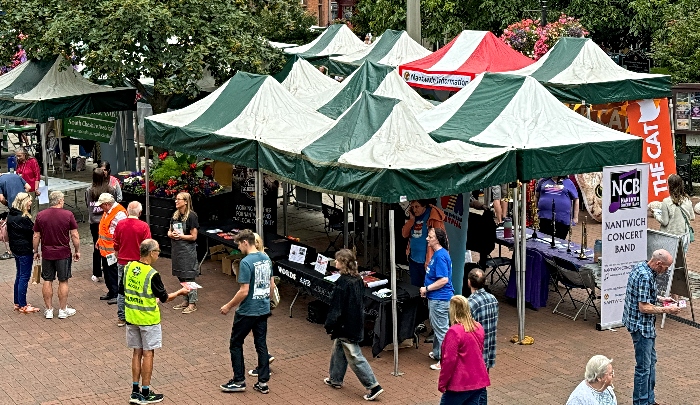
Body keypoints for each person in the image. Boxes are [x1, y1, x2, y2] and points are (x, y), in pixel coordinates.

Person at [121, 239, 190, 405]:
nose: (158, 254)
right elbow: (165, 298)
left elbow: (123, 291)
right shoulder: (152, 274)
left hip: (131, 317)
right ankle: (146, 392)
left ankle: (135, 391)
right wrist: (181, 292)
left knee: (136, 352)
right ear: (151, 253)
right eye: (158, 251)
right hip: (148, 319)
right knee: (148, 353)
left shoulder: (128, 268)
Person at [323, 249, 384, 401]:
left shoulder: (342, 283)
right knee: (339, 347)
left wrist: (329, 324)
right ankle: (335, 378)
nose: (334, 262)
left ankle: (373, 385)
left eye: (337, 260)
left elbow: (336, 308)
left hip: (345, 325)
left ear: (343, 263)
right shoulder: (357, 279)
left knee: (354, 355)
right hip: (356, 322)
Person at [219, 229, 275, 395]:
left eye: (238, 244)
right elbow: (271, 285)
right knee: (261, 344)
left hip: (247, 310)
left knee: (236, 343)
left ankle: (239, 380)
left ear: (245, 242)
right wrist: (266, 301)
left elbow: (244, 291)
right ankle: (263, 382)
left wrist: (229, 306)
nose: (238, 247)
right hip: (263, 308)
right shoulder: (266, 258)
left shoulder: (245, 262)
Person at [622, 249, 680, 405]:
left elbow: (644, 295)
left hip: (640, 325)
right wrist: (667, 310)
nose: (666, 271)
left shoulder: (641, 266)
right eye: (666, 267)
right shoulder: (646, 276)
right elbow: (644, 307)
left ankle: (649, 400)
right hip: (641, 327)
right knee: (644, 368)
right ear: (659, 263)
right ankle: (641, 402)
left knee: (650, 363)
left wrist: (662, 299)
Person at [32, 191, 80, 319]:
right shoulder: (68, 214)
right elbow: (74, 235)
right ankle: (63, 310)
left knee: (47, 280)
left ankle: (48, 310)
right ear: (59, 201)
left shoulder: (41, 215)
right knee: (63, 280)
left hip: (47, 253)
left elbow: (36, 235)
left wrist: (35, 251)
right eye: (63, 200)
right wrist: (77, 250)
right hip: (63, 252)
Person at [438, 295, 490, 405]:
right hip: (478, 380)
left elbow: (449, 361)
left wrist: (442, 383)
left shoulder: (454, 331)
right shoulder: (478, 326)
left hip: (460, 383)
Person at [420, 227, 455, 370]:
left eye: (430, 237)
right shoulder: (440, 254)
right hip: (439, 298)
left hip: (439, 299)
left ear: (437, 240)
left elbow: (443, 280)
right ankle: (437, 352)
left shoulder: (440, 256)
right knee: (438, 327)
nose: (427, 239)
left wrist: (426, 288)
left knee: (441, 330)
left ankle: (445, 360)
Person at [114, 201, 151, 327]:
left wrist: (117, 254)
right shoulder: (144, 226)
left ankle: (121, 317)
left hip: (123, 261)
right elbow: (148, 246)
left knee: (122, 289)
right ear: (140, 213)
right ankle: (138, 314)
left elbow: (116, 243)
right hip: (138, 263)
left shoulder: (120, 224)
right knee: (139, 289)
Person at [467, 268, 499, 405]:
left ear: (469, 282)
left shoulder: (470, 303)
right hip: (488, 348)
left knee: (473, 389)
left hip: (474, 353)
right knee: (482, 385)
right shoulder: (493, 299)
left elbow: (465, 331)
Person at [7, 192, 40, 313]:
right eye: (29, 201)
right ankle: (23, 305)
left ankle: (17, 302)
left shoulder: (11, 215)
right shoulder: (24, 218)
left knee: (19, 275)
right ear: (24, 202)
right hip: (25, 250)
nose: (31, 203)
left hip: (15, 249)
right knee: (24, 277)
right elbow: (33, 232)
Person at [402, 199, 446, 287]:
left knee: (428, 289)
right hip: (414, 259)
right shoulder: (413, 217)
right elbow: (404, 234)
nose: (414, 210)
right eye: (412, 207)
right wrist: (411, 220)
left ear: (424, 206)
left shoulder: (433, 217)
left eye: (417, 207)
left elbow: (441, 240)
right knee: (415, 288)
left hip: (428, 261)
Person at [168, 192, 200, 314]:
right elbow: (169, 231)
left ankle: (192, 303)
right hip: (177, 250)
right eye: (175, 199)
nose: (176, 201)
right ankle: (185, 300)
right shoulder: (175, 215)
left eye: (178, 199)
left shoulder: (192, 216)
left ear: (185, 201)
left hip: (187, 251)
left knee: (189, 275)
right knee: (181, 275)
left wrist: (181, 236)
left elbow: (194, 236)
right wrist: (171, 234)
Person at [649, 173, 694, 252]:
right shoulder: (687, 199)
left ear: (669, 186)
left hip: (670, 236)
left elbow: (665, 222)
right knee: (681, 260)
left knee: (668, 260)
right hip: (684, 235)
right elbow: (692, 217)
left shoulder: (666, 201)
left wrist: (655, 214)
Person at [96, 193, 127, 304]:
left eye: (102, 205)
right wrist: (99, 240)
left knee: (113, 273)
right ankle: (111, 291)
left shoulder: (119, 214)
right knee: (108, 272)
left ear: (107, 204)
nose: (100, 208)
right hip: (105, 250)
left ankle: (116, 293)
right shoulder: (107, 212)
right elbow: (105, 229)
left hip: (113, 251)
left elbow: (120, 234)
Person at [86, 167, 116, 283]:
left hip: (94, 222)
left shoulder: (89, 190)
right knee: (109, 245)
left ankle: (96, 272)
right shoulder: (110, 189)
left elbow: (88, 205)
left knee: (96, 245)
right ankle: (110, 268)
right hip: (108, 221)